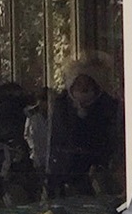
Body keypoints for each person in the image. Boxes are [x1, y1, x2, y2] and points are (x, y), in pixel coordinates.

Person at [43, 53, 124, 197]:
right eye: (79, 84)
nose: (83, 89)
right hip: (65, 174)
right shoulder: (61, 106)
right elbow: (57, 140)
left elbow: (111, 139)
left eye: (88, 84)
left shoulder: (107, 107)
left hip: (99, 173)